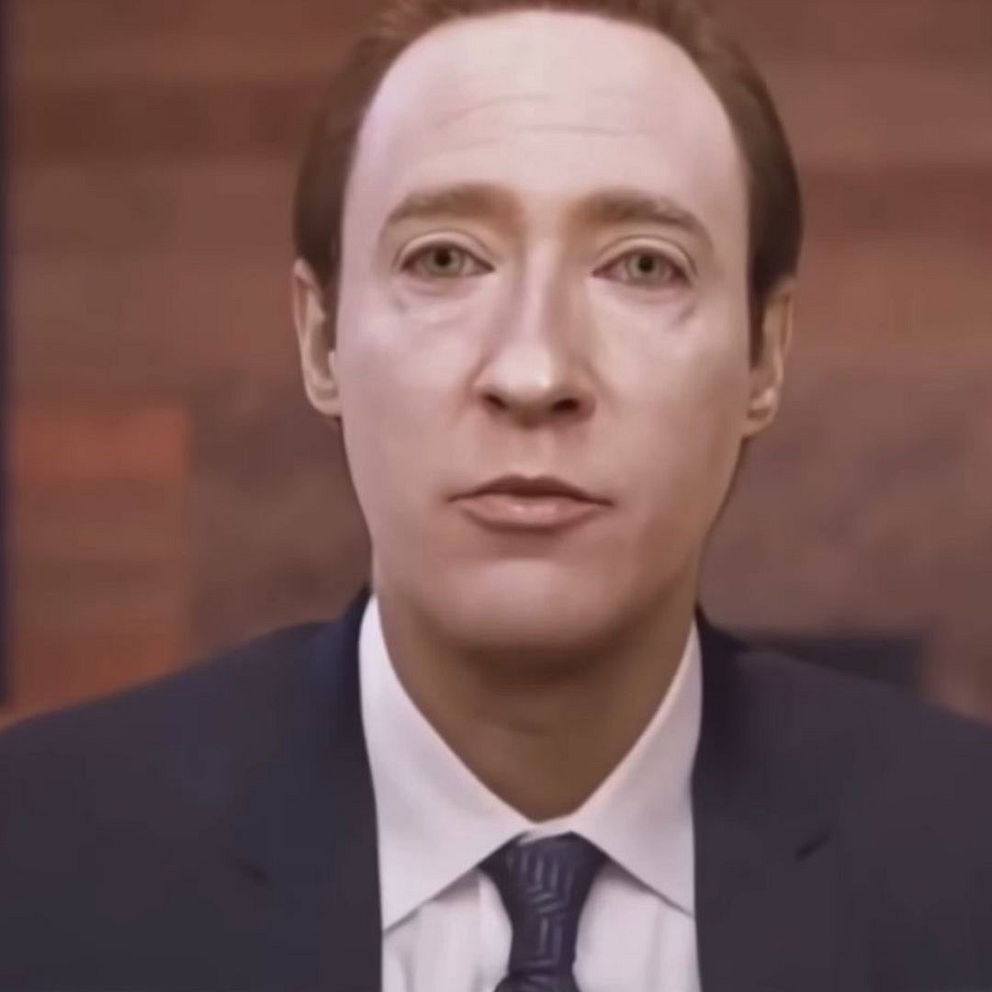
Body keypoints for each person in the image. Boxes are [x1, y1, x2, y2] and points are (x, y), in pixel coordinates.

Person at [2, 0, 991, 989]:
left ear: (763, 356)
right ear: (321, 340)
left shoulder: (963, 862)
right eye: (444, 259)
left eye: (643, 266)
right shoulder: (38, 857)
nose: (533, 370)